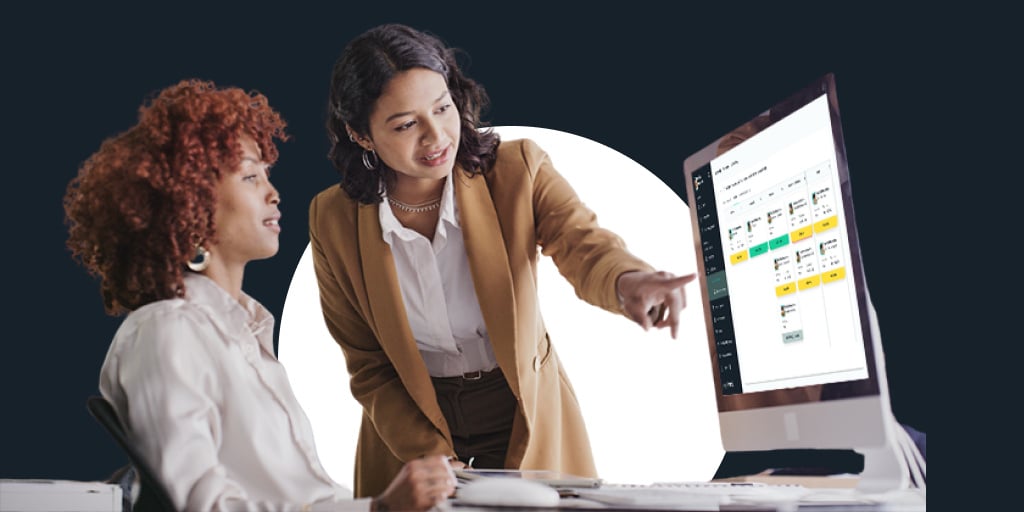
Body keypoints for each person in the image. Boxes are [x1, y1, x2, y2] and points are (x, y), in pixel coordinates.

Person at [310, 23, 697, 497]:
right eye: (406, 124)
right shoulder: (332, 218)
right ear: (361, 134)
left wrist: (628, 280)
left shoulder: (518, 169)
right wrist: (426, 452)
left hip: (520, 409)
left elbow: (583, 243)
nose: (436, 137)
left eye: (442, 108)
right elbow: (368, 364)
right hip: (409, 422)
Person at [63, 79, 455, 511]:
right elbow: (202, 505)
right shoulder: (168, 331)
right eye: (250, 176)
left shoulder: (243, 332)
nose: (274, 193)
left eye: (267, 175)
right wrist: (380, 509)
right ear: (189, 204)